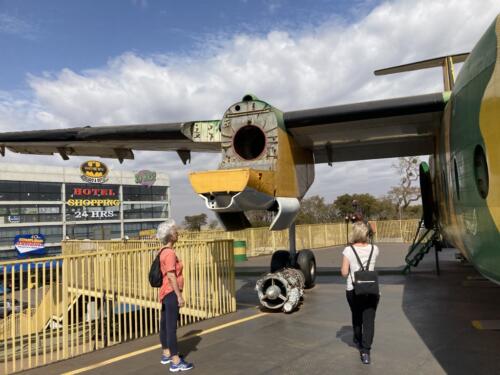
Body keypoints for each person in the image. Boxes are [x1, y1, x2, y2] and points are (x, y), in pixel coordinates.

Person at [156, 219, 194, 372]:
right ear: (170, 236)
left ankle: (166, 353)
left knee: (164, 324)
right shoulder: (170, 253)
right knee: (171, 327)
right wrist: (179, 295)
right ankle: (176, 361)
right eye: (175, 231)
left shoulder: (162, 250)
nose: (177, 233)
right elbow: (171, 276)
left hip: (165, 292)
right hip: (171, 292)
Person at [341, 221, 380, 365]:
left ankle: (357, 339)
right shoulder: (374, 249)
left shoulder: (348, 250)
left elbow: (344, 273)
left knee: (357, 316)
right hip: (372, 290)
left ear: (354, 233)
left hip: (353, 290)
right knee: (369, 320)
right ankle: (366, 352)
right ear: (366, 233)